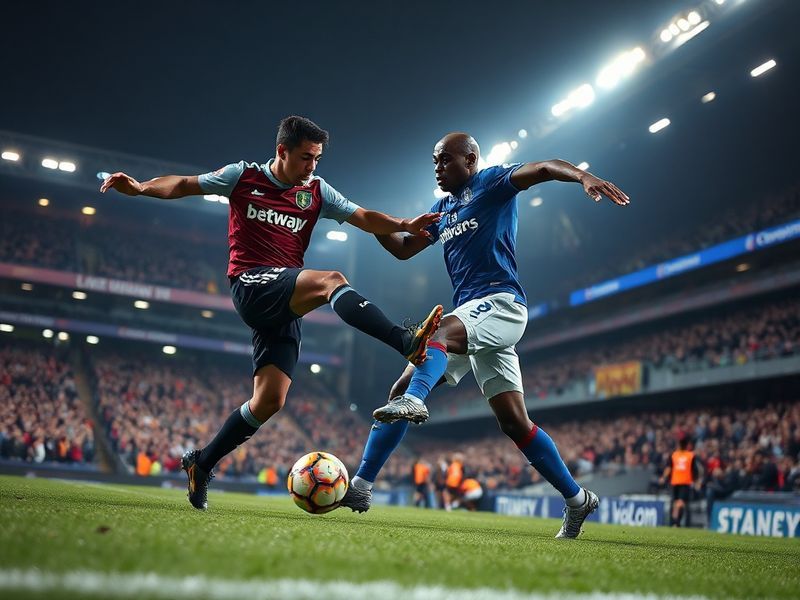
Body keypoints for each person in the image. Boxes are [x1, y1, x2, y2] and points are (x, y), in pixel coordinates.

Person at [100, 115, 444, 510]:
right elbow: (183, 184)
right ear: (282, 151)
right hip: (251, 284)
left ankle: (202, 462)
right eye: (305, 157)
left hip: (283, 297)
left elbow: (362, 216)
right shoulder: (242, 176)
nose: (312, 166)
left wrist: (403, 223)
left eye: (316, 158)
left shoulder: (316, 191)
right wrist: (141, 187)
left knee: (269, 401)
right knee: (332, 280)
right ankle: (405, 341)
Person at [340, 132, 630, 539]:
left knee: (436, 335)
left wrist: (582, 176)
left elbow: (544, 168)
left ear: (470, 160)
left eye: (445, 160)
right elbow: (403, 248)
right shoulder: (442, 209)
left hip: (501, 303)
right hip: (473, 315)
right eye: (435, 161)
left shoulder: (492, 182)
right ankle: (578, 499)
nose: (438, 168)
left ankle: (412, 406)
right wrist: (368, 220)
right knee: (513, 422)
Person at [659, 437, 704, 527]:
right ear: (687, 446)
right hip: (685, 482)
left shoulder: (674, 455)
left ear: (679, 445)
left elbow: (669, 468)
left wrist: (663, 478)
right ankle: (676, 521)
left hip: (676, 482)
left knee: (676, 502)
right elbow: (695, 471)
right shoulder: (690, 456)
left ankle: (675, 521)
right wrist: (697, 482)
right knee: (680, 502)